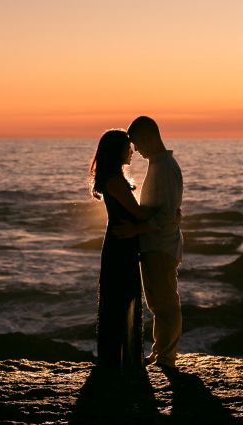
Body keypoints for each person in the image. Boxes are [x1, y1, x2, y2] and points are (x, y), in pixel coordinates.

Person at [117, 116, 183, 370]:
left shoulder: (164, 167)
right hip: (157, 245)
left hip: (161, 246)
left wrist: (136, 228)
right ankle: (160, 352)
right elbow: (164, 211)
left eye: (137, 143)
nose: (135, 149)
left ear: (149, 137)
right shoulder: (159, 165)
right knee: (158, 303)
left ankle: (166, 357)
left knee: (165, 304)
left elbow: (165, 217)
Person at [89, 129, 156, 374]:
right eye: (127, 147)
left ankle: (119, 360)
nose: (132, 151)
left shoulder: (114, 178)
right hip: (120, 247)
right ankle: (121, 362)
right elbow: (138, 213)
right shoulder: (115, 181)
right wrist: (163, 213)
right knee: (122, 299)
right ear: (116, 151)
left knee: (121, 299)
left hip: (120, 245)